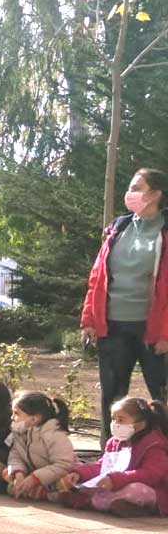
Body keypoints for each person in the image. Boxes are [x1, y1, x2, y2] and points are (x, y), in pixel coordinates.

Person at [81, 168, 168, 443]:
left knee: (162, 395)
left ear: (155, 194)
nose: (129, 194)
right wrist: (89, 319)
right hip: (114, 325)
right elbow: (97, 276)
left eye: (136, 188)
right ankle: (110, 454)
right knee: (113, 396)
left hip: (153, 330)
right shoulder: (118, 228)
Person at [62, 397, 168, 516]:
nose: (115, 424)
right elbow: (103, 466)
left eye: (121, 420)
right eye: (113, 419)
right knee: (91, 484)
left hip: (155, 490)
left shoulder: (153, 445)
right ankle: (115, 504)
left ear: (141, 423)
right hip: (118, 483)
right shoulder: (115, 442)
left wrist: (117, 479)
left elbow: (152, 474)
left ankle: (90, 501)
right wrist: (79, 474)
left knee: (135, 490)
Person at [4, 392, 77, 501]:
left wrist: (35, 478)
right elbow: (15, 456)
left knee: (66, 482)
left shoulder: (54, 435)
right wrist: (19, 474)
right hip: (33, 474)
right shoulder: (19, 433)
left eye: (16, 413)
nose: (12, 417)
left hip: (56, 476)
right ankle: (35, 491)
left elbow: (63, 465)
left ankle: (39, 492)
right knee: (6, 472)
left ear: (34, 419)